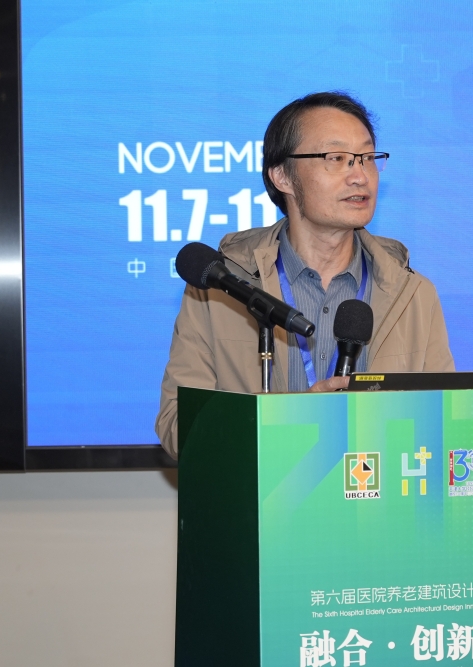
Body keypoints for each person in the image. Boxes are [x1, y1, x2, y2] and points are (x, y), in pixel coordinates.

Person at [155, 91, 454, 458]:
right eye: (337, 159)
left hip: (377, 492)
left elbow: (445, 426)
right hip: (266, 495)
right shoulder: (221, 288)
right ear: (282, 176)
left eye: (367, 158)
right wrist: (290, 422)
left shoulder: (413, 293)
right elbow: (178, 428)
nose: (360, 176)